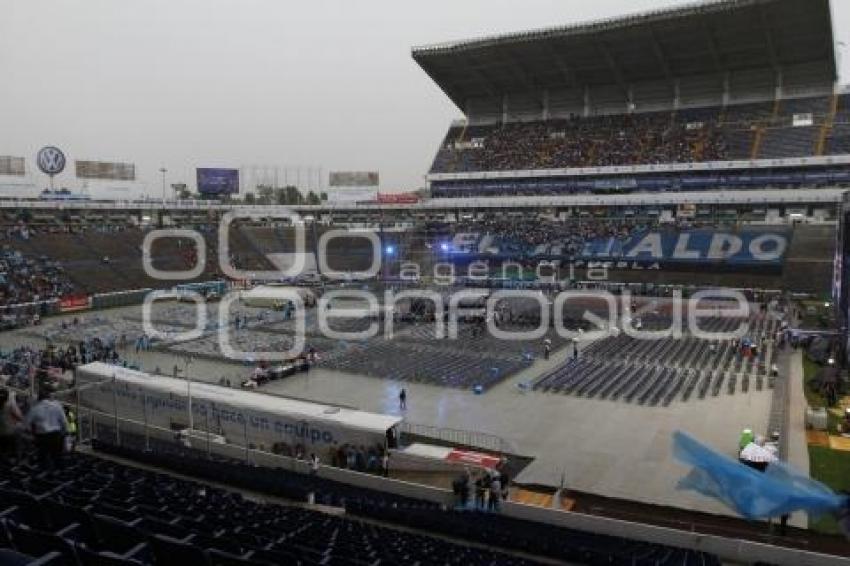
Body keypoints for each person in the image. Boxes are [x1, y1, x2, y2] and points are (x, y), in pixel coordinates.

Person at [25, 389, 69, 471]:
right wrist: (65, 435)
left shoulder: (35, 409)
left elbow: (27, 424)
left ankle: (45, 477)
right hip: (56, 435)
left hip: (42, 437)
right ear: (49, 398)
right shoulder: (57, 406)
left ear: (38, 398)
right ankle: (59, 474)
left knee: (43, 458)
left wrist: (32, 434)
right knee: (57, 457)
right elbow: (64, 422)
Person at [0, 389, 23, 463]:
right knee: (19, 428)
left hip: (2, 433)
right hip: (10, 432)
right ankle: (18, 459)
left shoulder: (8, 404)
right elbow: (20, 417)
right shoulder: (9, 404)